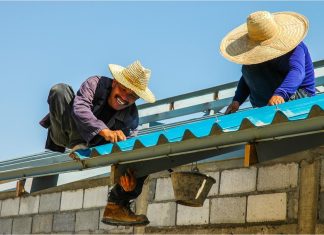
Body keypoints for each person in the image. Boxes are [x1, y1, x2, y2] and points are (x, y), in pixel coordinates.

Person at [39, 60, 155, 226]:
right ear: (115, 82)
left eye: (131, 96)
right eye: (122, 90)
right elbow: (80, 108)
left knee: (143, 156)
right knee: (59, 90)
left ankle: (117, 205)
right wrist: (104, 130)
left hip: (95, 145)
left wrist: (130, 187)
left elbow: (130, 153)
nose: (124, 97)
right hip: (67, 133)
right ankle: (78, 143)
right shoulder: (94, 84)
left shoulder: (131, 117)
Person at [219, 11, 316, 114]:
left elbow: (297, 72)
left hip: (299, 95)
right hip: (267, 101)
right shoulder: (254, 57)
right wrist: (237, 101)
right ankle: (264, 110)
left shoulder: (296, 47)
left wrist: (280, 94)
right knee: (249, 68)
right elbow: (246, 78)